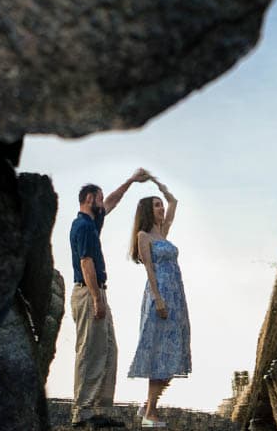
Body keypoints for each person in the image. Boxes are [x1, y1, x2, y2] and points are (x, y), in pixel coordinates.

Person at [70, 168, 151, 428]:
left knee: (107, 349)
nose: (103, 203)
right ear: (88, 199)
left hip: (97, 291)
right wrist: (96, 298)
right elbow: (86, 263)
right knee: (89, 351)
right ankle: (81, 412)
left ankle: (98, 408)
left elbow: (112, 201)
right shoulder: (82, 226)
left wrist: (130, 181)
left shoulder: (92, 223)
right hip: (88, 292)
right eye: (99, 198)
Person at [126, 175, 190, 428]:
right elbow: (149, 270)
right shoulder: (144, 236)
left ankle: (147, 406)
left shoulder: (163, 232)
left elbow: (174, 200)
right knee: (159, 352)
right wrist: (158, 299)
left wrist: (155, 181)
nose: (162, 208)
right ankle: (150, 413)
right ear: (146, 211)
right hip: (160, 295)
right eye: (156, 205)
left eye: (160, 205)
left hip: (177, 294)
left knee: (174, 351)